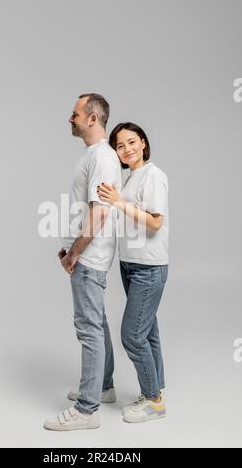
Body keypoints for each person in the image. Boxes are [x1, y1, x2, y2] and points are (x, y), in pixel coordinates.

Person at [44, 94, 122, 431]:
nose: (70, 118)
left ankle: (87, 411)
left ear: (92, 118)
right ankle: (102, 387)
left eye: (75, 114)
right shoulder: (92, 156)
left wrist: (75, 253)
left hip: (89, 258)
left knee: (88, 328)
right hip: (85, 254)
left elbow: (100, 212)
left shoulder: (102, 157)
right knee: (98, 322)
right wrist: (68, 245)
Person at [97, 122, 169, 424]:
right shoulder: (131, 179)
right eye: (119, 145)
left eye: (131, 142)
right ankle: (157, 390)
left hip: (149, 266)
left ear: (143, 142)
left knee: (132, 335)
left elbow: (155, 222)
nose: (126, 149)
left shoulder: (154, 175)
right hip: (131, 264)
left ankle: (153, 401)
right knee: (149, 332)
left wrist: (118, 203)